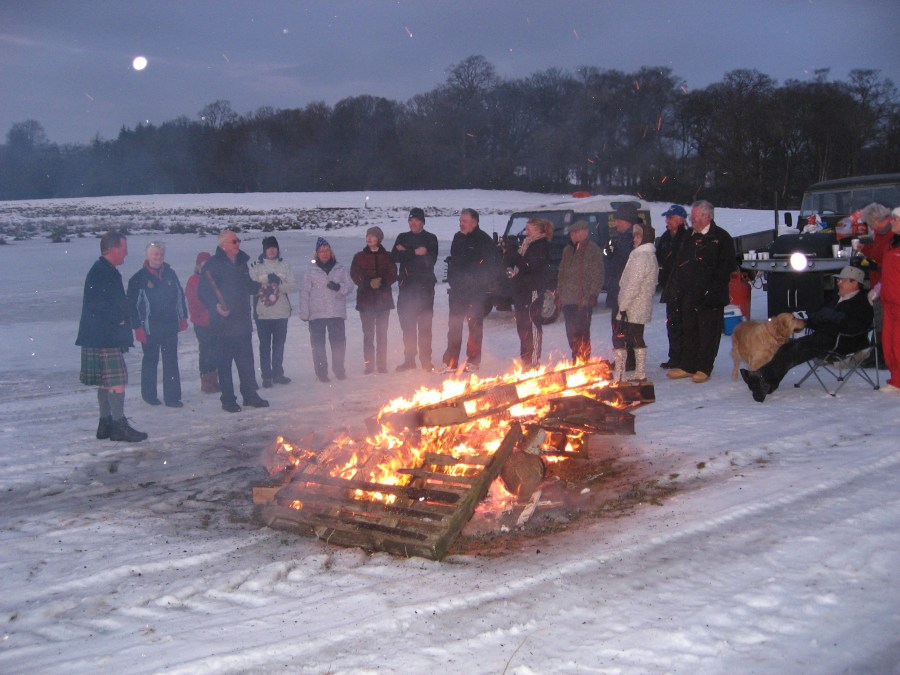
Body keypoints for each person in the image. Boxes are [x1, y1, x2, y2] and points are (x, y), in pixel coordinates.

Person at [741, 265, 874, 402]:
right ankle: (766, 382)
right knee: (787, 348)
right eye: (839, 280)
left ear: (854, 283)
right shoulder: (835, 298)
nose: (839, 283)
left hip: (845, 342)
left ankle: (762, 378)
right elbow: (819, 316)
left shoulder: (862, 303)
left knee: (798, 349)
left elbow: (856, 327)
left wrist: (835, 317)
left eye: (843, 280)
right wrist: (808, 321)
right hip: (825, 337)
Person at [76, 231, 147, 442]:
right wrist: (119, 320)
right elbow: (100, 305)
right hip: (105, 337)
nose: (126, 253)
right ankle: (118, 426)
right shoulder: (104, 272)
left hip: (97, 336)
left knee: (105, 381)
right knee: (116, 380)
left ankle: (105, 424)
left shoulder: (101, 270)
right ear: (113, 249)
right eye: (124, 249)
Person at [665, 200, 736, 383]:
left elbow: (726, 267)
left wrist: (709, 290)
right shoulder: (689, 236)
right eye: (692, 216)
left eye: (695, 216)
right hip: (689, 293)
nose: (692, 219)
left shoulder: (721, 237)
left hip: (710, 296)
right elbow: (679, 261)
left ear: (707, 216)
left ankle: (704, 368)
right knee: (689, 330)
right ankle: (687, 365)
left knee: (708, 333)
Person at [199, 230, 269, 413]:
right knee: (225, 365)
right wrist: (215, 306)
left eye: (238, 240)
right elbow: (203, 292)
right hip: (223, 325)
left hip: (242, 322)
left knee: (246, 363)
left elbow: (247, 285)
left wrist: (261, 287)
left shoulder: (240, 263)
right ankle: (228, 399)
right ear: (223, 245)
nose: (238, 243)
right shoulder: (212, 265)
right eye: (234, 241)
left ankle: (250, 395)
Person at [126, 241, 188, 408]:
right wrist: (137, 328)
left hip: (170, 326)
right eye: (155, 254)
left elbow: (179, 297)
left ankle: (172, 397)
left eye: (161, 254)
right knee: (150, 361)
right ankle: (149, 395)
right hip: (149, 328)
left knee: (171, 361)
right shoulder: (138, 278)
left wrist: (183, 317)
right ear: (148, 256)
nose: (158, 257)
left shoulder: (170, 273)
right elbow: (132, 306)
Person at [441, 208, 498, 373]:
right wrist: (453, 280)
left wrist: (480, 281)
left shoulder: (484, 240)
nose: (461, 224)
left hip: (475, 292)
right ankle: (450, 361)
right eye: (460, 221)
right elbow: (454, 261)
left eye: (464, 221)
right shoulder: (458, 237)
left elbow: (492, 265)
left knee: (474, 327)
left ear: (474, 223)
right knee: (454, 326)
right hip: (457, 290)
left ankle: (473, 360)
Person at [298, 237, 353, 382]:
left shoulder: (340, 268)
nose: (325, 253)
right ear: (317, 253)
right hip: (317, 314)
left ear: (331, 252)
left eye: (327, 250)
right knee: (318, 346)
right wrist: (304, 312)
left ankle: (339, 370)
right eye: (321, 251)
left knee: (338, 344)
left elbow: (350, 286)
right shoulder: (310, 271)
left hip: (336, 312)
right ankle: (321, 373)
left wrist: (339, 287)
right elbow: (304, 292)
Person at [391, 208, 439, 372]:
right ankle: (409, 360)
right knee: (408, 326)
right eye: (411, 220)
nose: (413, 223)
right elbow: (394, 257)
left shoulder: (431, 238)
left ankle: (426, 361)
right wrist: (415, 252)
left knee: (425, 326)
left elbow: (429, 261)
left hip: (425, 290)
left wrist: (405, 252)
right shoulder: (402, 237)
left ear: (423, 222)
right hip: (406, 289)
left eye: (417, 220)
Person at [612, 221, 659, 383]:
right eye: (634, 235)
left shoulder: (641, 257)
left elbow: (633, 284)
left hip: (633, 305)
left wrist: (623, 306)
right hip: (640, 304)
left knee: (620, 337)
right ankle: (639, 372)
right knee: (637, 337)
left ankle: (620, 374)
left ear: (645, 238)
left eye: (638, 236)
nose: (634, 238)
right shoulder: (648, 256)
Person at [503, 217, 553, 369]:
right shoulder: (526, 244)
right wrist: (508, 255)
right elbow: (516, 263)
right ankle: (526, 359)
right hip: (521, 289)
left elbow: (529, 265)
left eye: (529, 228)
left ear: (537, 230)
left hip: (533, 289)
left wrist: (514, 255)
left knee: (532, 324)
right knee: (522, 325)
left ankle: (533, 360)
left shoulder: (540, 245)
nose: (526, 231)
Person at [250, 236, 296, 388]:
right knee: (264, 346)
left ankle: (278, 373)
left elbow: (292, 286)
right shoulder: (256, 266)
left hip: (281, 313)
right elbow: (251, 286)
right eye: (269, 248)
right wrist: (266, 281)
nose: (272, 251)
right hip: (263, 314)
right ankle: (266, 376)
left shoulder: (285, 266)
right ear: (264, 250)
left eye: (274, 248)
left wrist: (279, 283)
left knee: (279, 345)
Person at [351, 226, 397, 374]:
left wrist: (382, 282)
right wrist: (368, 282)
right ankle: (369, 365)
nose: (369, 238)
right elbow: (354, 274)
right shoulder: (359, 257)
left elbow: (393, 274)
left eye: (373, 236)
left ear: (379, 238)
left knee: (382, 335)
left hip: (383, 302)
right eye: (368, 235)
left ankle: (382, 365)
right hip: (366, 302)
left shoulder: (387, 256)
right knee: (368, 335)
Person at [557, 220, 604, 363]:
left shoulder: (592, 250)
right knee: (570, 331)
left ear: (585, 232)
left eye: (576, 232)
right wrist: (559, 292)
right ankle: (575, 356)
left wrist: (593, 294)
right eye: (572, 233)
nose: (573, 235)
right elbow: (561, 273)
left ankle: (584, 359)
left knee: (582, 331)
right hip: (568, 299)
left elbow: (598, 273)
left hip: (583, 299)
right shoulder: (567, 250)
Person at [605, 204, 639, 370]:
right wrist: (608, 252)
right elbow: (610, 262)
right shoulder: (618, 238)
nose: (616, 223)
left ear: (628, 221)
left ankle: (629, 360)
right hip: (616, 290)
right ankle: (622, 358)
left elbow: (627, 265)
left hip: (626, 292)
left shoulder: (634, 240)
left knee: (626, 327)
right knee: (617, 326)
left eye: (619, 220)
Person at [656, 204, 689, 369]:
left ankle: (685, 357)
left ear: (680, 219)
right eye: (667, 218)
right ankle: (674, 357)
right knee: (672, 323)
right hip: (669, 287)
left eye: (670, 218)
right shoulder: (665, 237)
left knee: (684, 323)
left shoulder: (687, 237)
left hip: (683, 287)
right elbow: (658, 258)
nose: (667, 221)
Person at [873, 207, 900, 393]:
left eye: (896, 219)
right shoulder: (891, 244)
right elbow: (886, 270)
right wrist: (878, 288)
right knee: (888, 343)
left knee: (898, 343)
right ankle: (895, 379)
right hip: (888, 301)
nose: (893, 222)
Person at [185, 252, 219, 394]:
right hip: (201, 321)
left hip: (215, 320)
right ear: (198, 266)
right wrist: (210, 306)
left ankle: (214, 380)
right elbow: (194, 300)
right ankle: (206, 381)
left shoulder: (214, 279)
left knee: (215, 350)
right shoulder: (193, 280)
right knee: (206, 350)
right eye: (203, 264)